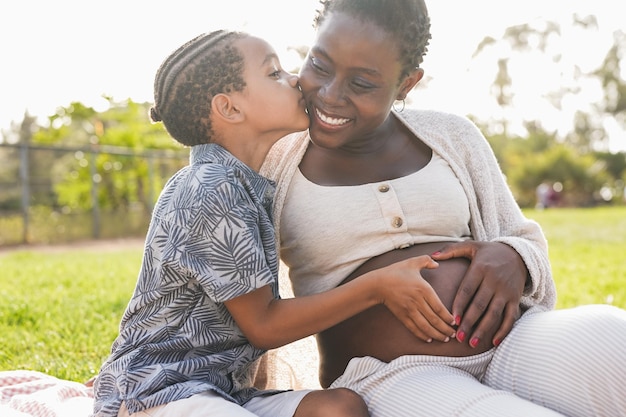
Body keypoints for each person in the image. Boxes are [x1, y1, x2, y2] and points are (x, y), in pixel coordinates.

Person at [259, 1, 626, 416]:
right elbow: (246, 307)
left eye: (362, 84)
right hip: (391, 375)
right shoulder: (272, 161)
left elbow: (522, 238)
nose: (330, 94)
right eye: (320, 66)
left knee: (614, 339)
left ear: (406, 85)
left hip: (513, 340)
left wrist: (513, 257)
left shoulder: (452, 135)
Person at [92, 29, 460, 417]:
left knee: (340, 407)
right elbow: (264, 324)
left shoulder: (246, 185)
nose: (296, 80)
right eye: (274, 73)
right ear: (230, 109)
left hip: (225, 390)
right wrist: (378, 286)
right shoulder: (208, 187)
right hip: (161, 389)